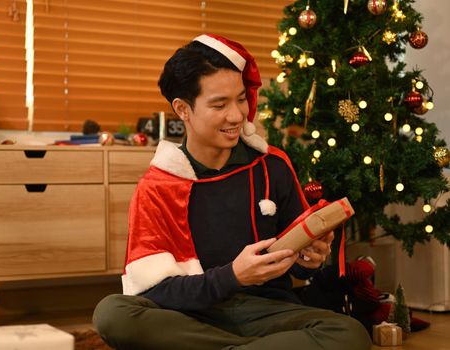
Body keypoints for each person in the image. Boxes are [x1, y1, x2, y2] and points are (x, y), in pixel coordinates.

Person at [93, 34, 372, 350]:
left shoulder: (272, 165)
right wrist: (232, 276)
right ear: (183, 109)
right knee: (112, 313)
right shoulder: (158, 187)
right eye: (219, 104)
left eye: (241, 99)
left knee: (350, 334)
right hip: (188, 316)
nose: (237, 115)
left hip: (266, 312)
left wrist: (309, 258)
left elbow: (293, 262)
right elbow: (153, 292)